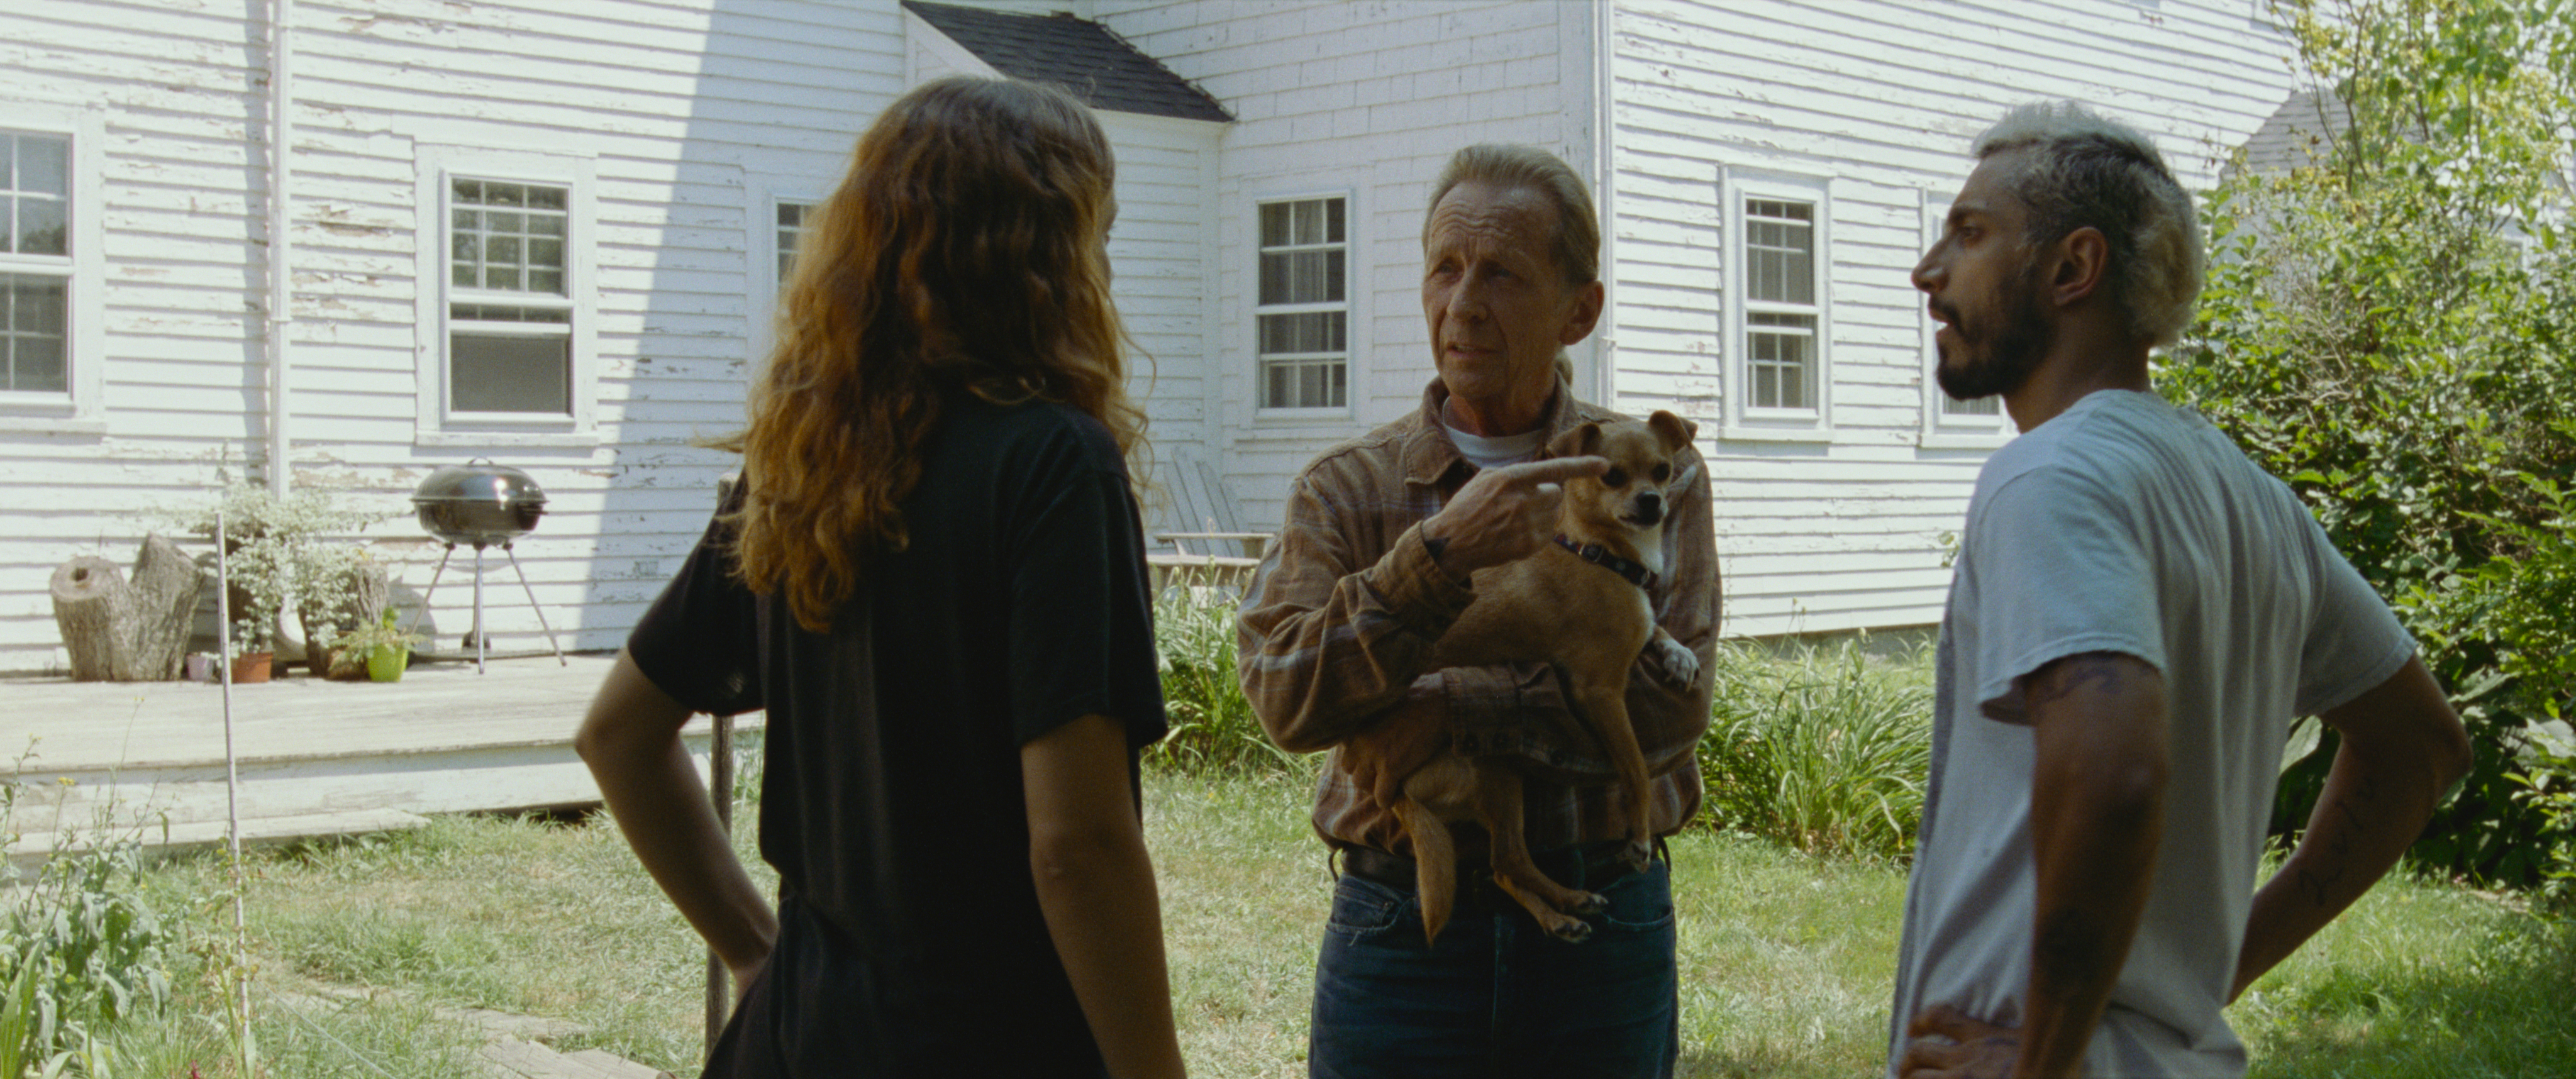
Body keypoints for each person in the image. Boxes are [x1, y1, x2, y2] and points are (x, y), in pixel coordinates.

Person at [575, 76, 1186, 1079]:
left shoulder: (805, 463)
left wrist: (752, 948)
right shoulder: (1052, 463)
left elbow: (616, 734)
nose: (1106, 272)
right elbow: (1077, 845)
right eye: (1099, 237)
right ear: (1041, 260)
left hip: (802, 1038)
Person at [1885, 101, 2473, 1079]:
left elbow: (2115, 773)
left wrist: (2039, 1060)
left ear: (2074, 269)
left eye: (1972, 233)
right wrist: (2207, 976)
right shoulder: (2247, 496)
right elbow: (2424, 746)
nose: (1928, 269)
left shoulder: (2049, 476)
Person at [1236, 143, 1719, 1078]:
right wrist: (1437, 557)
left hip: (1603, 918)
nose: (1463, 303)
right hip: (1400, 931)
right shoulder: (1349, 491)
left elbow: (1670, 711)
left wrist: (1444, 709)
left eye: (1502, 273)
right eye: (1445, 269)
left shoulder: (1653, 477)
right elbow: (1288, 697)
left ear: (1581, 308)